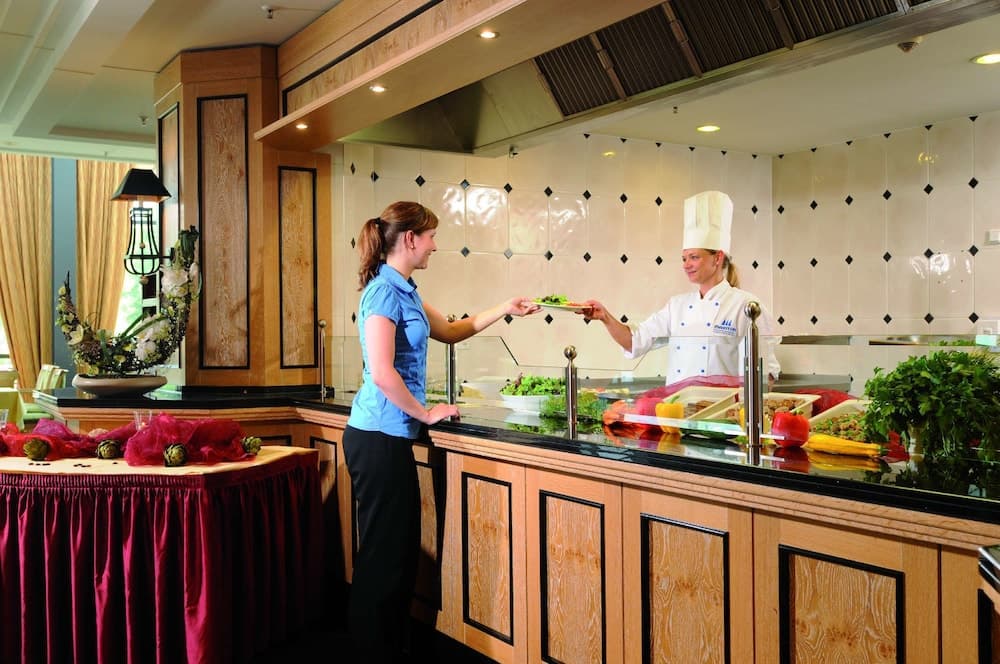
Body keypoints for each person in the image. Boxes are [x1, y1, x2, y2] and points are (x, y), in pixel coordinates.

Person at [343, 200, 539, 662]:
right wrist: (426, 413)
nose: (434, 244)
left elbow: (452, 330)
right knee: (385, 557)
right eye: (430, 235)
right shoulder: (383, 293)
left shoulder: (406, 290)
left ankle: (385, 648)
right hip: (376, 438)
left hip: (389, 438)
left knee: (396, 554)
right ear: (410, 239)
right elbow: (382, 372)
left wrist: (505, 308)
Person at [582, 190, 780, 383]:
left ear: (717, 258)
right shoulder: (676, 306)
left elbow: (766, 374)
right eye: (684, 258)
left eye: (694, 257)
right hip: (677, 404)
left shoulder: (746, 306)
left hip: (723, 404)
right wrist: (604, 316)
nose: (686, 265)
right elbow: (634, 341)